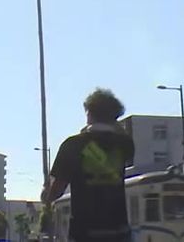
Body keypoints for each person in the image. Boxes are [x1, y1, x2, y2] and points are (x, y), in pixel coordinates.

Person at [42, 88, 135, 242]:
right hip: (119, 232)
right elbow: (121, 134)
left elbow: (56, 192)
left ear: (89, 114)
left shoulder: (72, 145)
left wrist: (46, 194)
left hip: (84, 232)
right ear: (115, 116)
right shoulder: (124, 144)